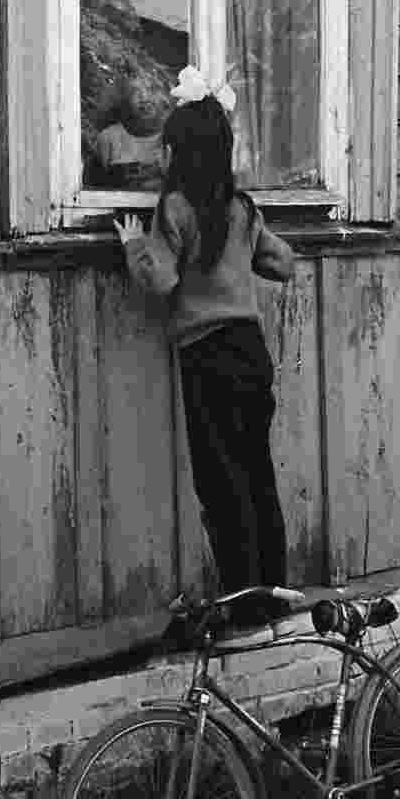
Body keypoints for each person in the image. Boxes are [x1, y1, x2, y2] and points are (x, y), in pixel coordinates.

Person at [114, 64, 294, 597]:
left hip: (206, 358)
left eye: (166, 148)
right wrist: (248, 254)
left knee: (220, 484)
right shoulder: (241, 209)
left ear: (180, 154)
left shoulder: (175, 208)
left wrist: (132, 246)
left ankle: (240, 599)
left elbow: (163, 278)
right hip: (250, 352)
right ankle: (272, 591)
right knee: (257, 475)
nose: (161, 157)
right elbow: (281, 264)